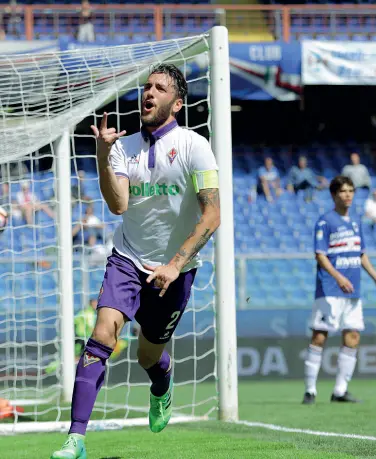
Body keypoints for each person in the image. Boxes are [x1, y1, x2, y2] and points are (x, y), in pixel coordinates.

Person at [51, 63, 220, 459]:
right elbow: (118, 204)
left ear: (176, 103)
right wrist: (103, 151)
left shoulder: (195, 147)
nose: (149, 92)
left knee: (148, 355)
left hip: (174, 270)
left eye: (159, 88)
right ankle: (76, 438)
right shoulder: (125, 146)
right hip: (127, 258)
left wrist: (176, 263)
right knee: (101, 338)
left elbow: (212, 215)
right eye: (146, 86)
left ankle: (161, 383)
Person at [302, 176, 376, 405]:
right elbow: (320, 254)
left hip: (353, 289)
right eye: (343, 191)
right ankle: (310, 390)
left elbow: (361, 254)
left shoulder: (356, 223)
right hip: (329, 289)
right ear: (333, 195)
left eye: (351, 191)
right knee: (320, 336)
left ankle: (340, 391)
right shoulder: (325, 221)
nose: (348, 194)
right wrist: (337, 277)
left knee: (353, 336)